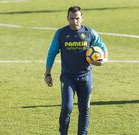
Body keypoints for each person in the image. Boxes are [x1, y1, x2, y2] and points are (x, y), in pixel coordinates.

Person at [44, 6, 108, 135]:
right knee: (67, 108)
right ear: (67, 18)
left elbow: (103, 48)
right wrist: (48, 73)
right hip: (68, 77)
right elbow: (52, 53)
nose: (75, 21)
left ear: (82, 18)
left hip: (86, 77)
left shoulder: (90, 33)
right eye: (72, 18)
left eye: (77, 18)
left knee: (84, 109)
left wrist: (103, 61)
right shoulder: (61, 34)